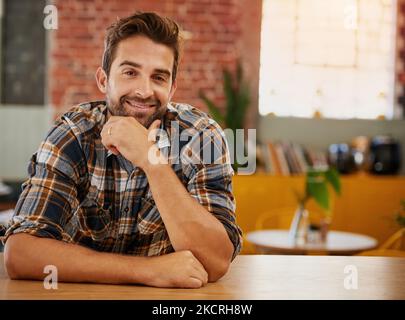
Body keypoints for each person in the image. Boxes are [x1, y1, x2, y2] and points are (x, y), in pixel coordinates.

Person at [1, 11, 242, 288]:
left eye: (159, 78)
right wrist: (147, 271)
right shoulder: (72, 135)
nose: (143, 90)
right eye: (130, 72)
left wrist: (151, 161)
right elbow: (20, 254)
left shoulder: (201, 137)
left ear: (172, 88)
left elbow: (216, 260)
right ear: (104, 80)